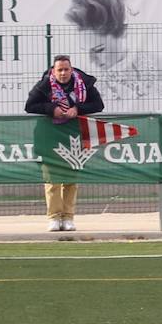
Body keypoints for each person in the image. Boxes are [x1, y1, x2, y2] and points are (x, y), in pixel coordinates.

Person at [66, 0, 162, 112]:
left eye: (100, 49)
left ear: (122, 32)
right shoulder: (79, 80)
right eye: (88, 51)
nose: (93, 60)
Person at [25, 54, 105, 231]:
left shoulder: (84, 84)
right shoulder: (45, 85)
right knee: (51, 178)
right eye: (59, 70)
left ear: (72, 69)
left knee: (71, 178)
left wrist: (78, 109)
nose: (63, 73)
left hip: (74, 136)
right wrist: (51, 109)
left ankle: (68, 217)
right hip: (48, 136)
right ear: (53, 71)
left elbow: (98, 105)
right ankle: (54, 217)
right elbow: (30, 105)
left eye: (66, 69)